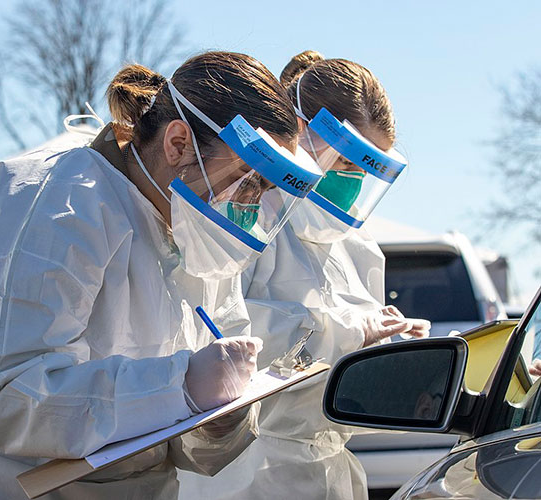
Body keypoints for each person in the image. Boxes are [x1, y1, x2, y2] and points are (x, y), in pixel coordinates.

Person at [0, 51, 323, 499]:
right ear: (178, 143)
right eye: (245, 178)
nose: (248, 204)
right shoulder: (59, 203)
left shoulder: (195, 234)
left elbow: (181, 431)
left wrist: (221, 420)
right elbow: (8, 400)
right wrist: (180, 385)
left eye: (262, 190)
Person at [178, 51, 431, 500]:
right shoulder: (245, 214)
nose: (351, 181)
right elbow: (212, 332)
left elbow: (342, 396)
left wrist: (394, 355)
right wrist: (348, 333)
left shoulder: (358, 246)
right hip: (245, 472)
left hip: (327, 469)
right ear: (302, 133)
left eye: (364, 169)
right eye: (346, 162)